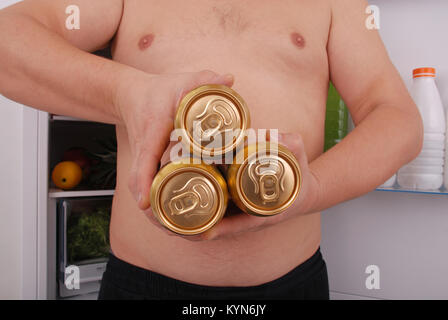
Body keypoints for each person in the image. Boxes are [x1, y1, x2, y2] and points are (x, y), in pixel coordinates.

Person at [0, 0, 423, 300]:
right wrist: (125, 93)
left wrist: (312, 189)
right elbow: (7, 41)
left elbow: (398, 120)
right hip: (142, 286)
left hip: (293, 284)